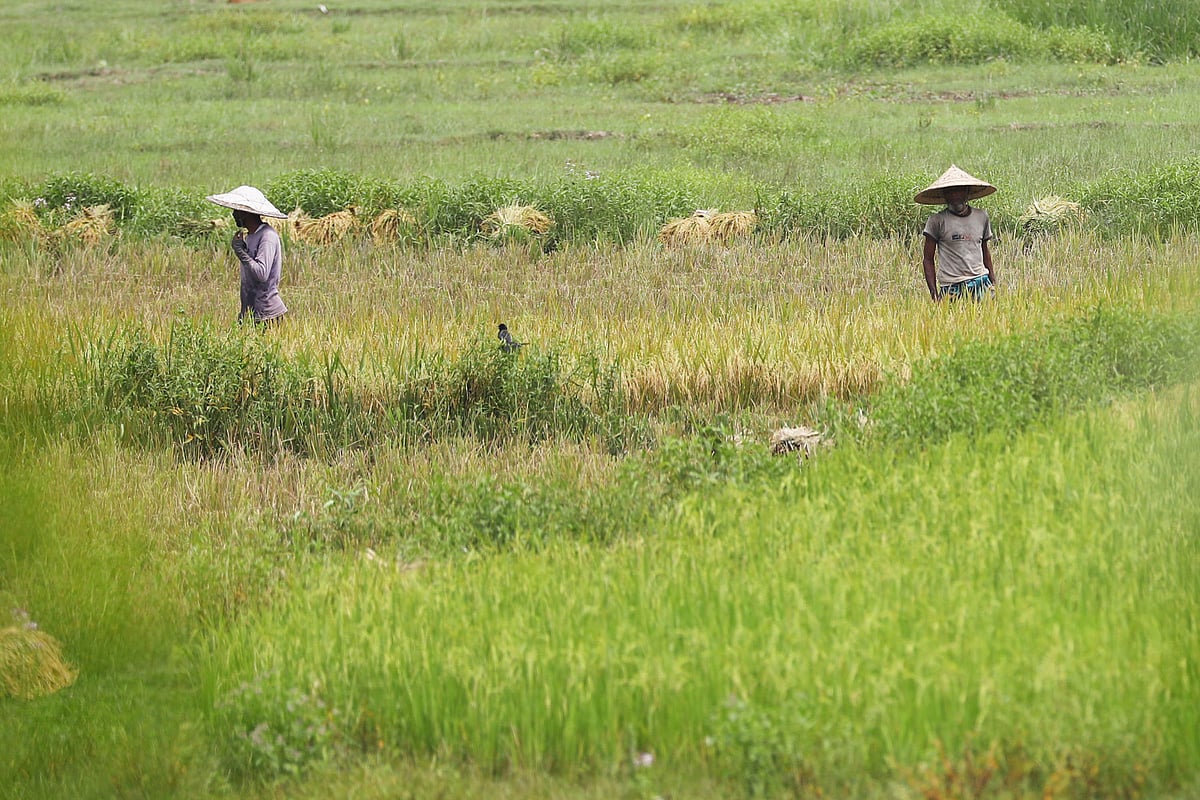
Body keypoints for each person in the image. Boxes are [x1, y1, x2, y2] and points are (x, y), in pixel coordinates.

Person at [204, 185, 289, 325]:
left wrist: (241, 252)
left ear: (245, 213)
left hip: (267, 315)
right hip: (250, 312)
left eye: (236, 211)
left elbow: (261, 274)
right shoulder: (250, 236)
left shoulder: (267, 236)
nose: (234, 214)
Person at [915, 165, 997, 302]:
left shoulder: (981, 216)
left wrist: (993, 282)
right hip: (952, 287)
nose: (954, 195)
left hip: (981, 282)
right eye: (950, 192)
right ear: (944, 195)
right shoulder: (937, 221)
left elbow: (985, 251)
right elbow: (928, 259)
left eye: (958, 191)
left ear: (966, 192)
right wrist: (934, 295)